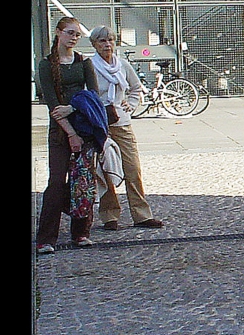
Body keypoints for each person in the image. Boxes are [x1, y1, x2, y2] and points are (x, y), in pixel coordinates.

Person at [35, 16, 101, 254]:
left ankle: (81, 232)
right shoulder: (45, 65)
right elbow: (52, 104)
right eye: (70, 33)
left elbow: (93, 96)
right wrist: (70, 133)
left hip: (84, 128)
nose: (74, 38)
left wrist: (73, 108)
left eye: (77, 35)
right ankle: (46, 238)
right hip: (60, 132)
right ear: (58, 33)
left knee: (82, 182)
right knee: (56, 183)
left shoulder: (83, 63)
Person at [88, 26, 164, 231]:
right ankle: (109, 215)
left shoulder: (122, 65)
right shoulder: (90, 66)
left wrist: (131, 103)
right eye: (102, 41)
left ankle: (141, 215)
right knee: (105, 170)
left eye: (111, 40)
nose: (107, 45)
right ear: (94, 44)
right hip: (100, 124)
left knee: (132, 169)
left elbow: (135, 87)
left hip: (121, 123)